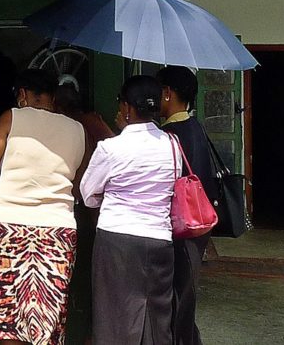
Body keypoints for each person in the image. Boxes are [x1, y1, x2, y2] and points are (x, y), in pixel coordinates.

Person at [0, 69, 87, 345]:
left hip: (9, 229)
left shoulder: (13, 116)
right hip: (57, 231)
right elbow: (80, 180)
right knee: (45, 317)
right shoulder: (77, 128)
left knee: (8, 319)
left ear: (22, 94)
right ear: (53, 96)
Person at [81, 75, 179, 345]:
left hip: (117, 238)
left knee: (113, 316)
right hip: (159, 239)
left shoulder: (111, 148)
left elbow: (88, 193)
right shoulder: (172, 145)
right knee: (156, 318)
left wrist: (110, 197)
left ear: (126, 108)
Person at [156, 66, 217, 345]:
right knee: (185, 295)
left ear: (167, 93)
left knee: (175, 299)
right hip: (199, 224)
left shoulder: (169, 135)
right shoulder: (196, 127)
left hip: (179, 225)